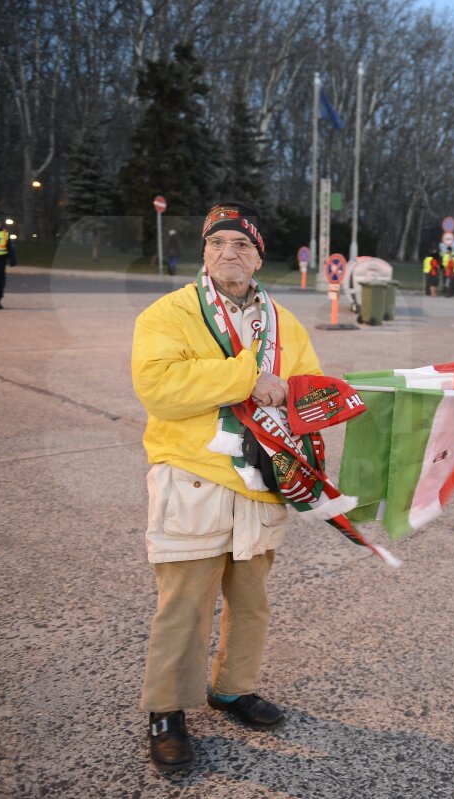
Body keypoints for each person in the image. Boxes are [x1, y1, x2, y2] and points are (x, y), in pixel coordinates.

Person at [131, 202, 324, 772]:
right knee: (184, 604)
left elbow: (307, 387)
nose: (227, 252)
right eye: (216, 243)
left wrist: (309, 401)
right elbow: (158, 386)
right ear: (204, 253)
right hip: (194, 476)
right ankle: (166, 710)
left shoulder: (285, 322)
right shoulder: (169, 312)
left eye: (241, 244)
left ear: (259, 257)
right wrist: (248, 378)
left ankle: (233, 688)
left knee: (251, 600)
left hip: (260, 480)